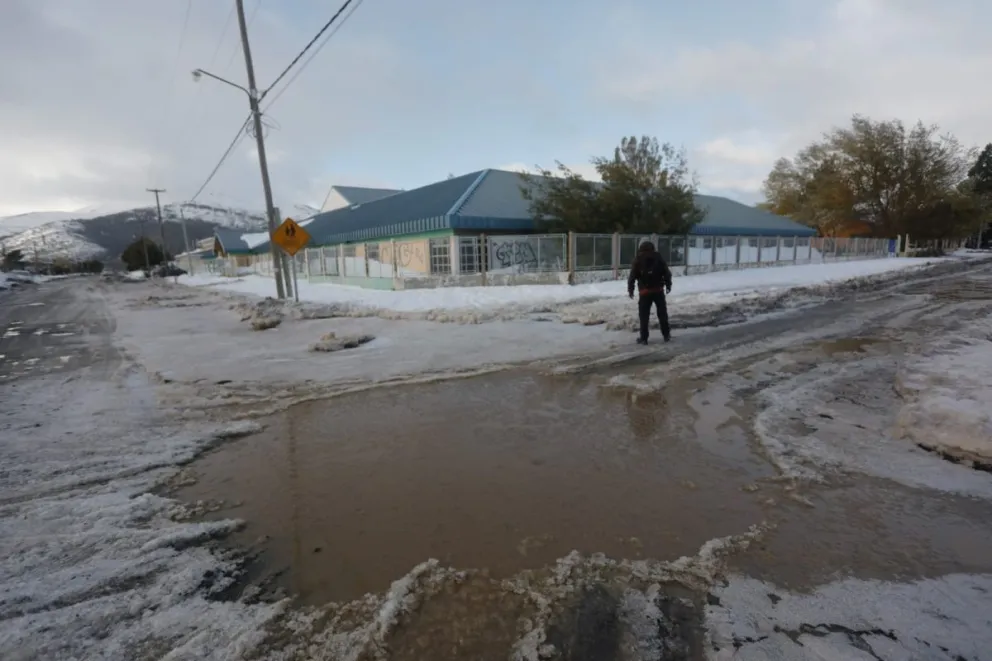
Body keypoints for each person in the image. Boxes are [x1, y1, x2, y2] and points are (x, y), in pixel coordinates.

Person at [627, 240, 672, 344]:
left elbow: (632, 276)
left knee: (644, 316)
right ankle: (666, 335)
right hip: (658, 291)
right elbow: (666, 273)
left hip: (644, 292)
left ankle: (644, 338)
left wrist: (631, 289)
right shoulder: (658, 257)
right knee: (662, 314)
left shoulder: (638, 259)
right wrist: (668, 284)